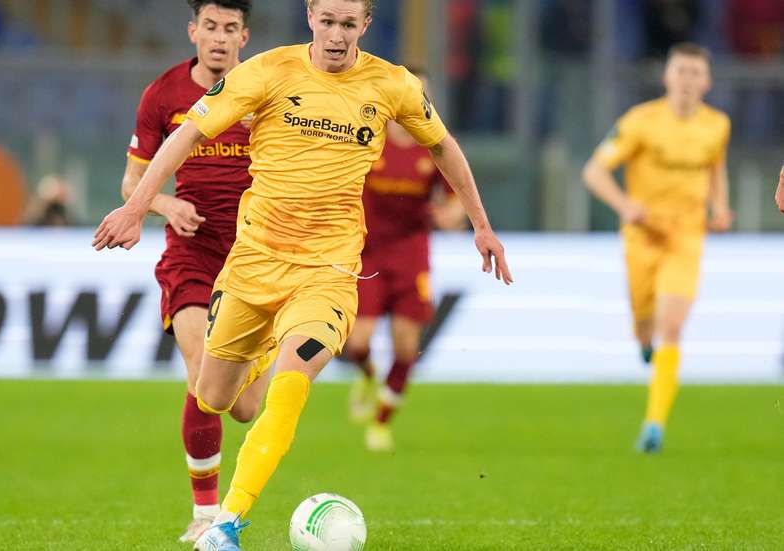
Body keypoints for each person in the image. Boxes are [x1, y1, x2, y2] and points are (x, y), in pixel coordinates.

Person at [93, 0, 512, 548]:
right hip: (253, 265)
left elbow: (443, 145)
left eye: (348, 24)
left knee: (289, 390)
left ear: (365, 25)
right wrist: (137, 208)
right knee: (217, 397)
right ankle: (263, 352)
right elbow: (188, 134)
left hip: (327, 271)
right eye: (328, 22)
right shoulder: (267, 71)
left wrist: (481, 225)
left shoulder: (393, 85)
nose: (337, 35)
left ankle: (225, 523)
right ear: (311, 16)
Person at [117, 0, 272, 543]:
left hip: (254, 256)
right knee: (201, 373)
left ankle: (267, 349)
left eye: (230, 28)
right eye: (211, 26)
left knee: (244, 408)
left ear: (244, 37)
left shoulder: (264, 89)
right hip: (192, 252)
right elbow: (132, 182)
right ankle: (205, 515)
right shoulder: (162, 95)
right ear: (193, 31)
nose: (219, 37)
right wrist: (164, 204)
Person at [583, 43, 733, 454]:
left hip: (686, 236)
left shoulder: (717, 125)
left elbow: (715, 168)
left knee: (672, 326)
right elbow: (594, 171)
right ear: (667, 76)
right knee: (645, 323)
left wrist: (720, 207)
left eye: (695, 73)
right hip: (643, 236)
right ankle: (644, 342)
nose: (687, 80)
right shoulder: (641, 121)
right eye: (680, 71)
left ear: (707, 81)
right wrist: (624, 205)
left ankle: (654, 424)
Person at [343, 67, 467, 452]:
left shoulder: (435, 142)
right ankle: (367, 375)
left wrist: (452, 216)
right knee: (357, 343)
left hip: (411, 255)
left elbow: (456, 196)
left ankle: (381, 424)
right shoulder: (367, 137)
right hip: (368, 253)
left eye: (421, 92)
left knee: (406, 348)